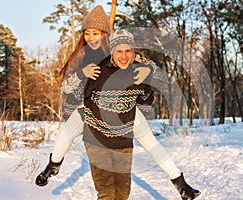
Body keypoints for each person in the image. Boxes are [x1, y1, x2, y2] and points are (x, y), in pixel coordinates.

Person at [35, 5, 200, 200]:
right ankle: (53, 165)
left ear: (106, 34)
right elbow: (67, 87)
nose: (90, 37)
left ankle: (180, 183)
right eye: (87, 33)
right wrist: (82, 73)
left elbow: (143, 62)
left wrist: (149, 70)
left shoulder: (118, 48)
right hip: (92, 108)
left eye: (95, 33)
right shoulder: (82, 55)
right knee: (64, 135)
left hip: (124, 107)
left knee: (151, 142)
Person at [82, 29, 154, 199]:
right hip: (97, 140)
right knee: (107, 193)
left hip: (123, 141)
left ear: (133, 52)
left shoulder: (139, 73)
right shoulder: (99, 71)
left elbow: (145, 104)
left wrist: (148, 76)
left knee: (122, 192)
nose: (123, 56)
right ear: (112, 53)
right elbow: (82, 96)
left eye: (128, 50)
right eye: (118, 51)